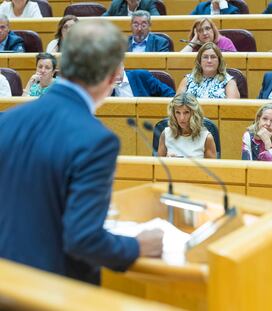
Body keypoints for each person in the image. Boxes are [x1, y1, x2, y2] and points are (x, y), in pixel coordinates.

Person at [0, 19, 163, 284]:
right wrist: (138, 246)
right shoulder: (96, 140)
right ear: (112, 76)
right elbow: (83, 239)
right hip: (52, 291)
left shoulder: (6, 120)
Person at [158, 93, 217, 158]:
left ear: (194, 114)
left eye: (186, 112)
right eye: (178, 112)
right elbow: (158, 166)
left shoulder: (206, 138)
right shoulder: (165, 134)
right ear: (173, 114)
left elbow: (211, 168)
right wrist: (167, 160)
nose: (182, 118)